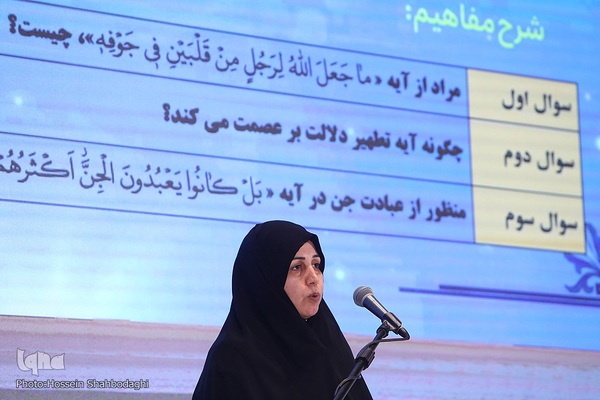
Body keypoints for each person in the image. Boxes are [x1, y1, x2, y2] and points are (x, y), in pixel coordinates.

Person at [192, 220, 373, 400]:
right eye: (297, 267)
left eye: (316, 265)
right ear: (266, 280)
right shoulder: (232, 359)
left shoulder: (329, 346)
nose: (313, 278)